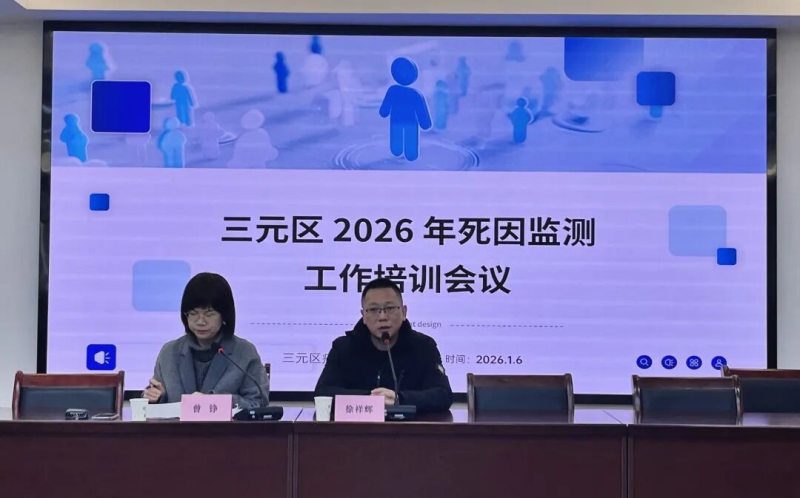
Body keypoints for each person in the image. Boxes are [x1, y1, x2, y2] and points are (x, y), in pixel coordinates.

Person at [314, 278, 453, 413]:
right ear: (363, 315)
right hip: (358, 427)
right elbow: (323, 393)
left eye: (390, 308)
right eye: (374, 309)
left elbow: (443, 395)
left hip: (409, 427)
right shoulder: (343, 348)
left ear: (404, 312)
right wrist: (371, 400)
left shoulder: (424, 347)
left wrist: (400, 399)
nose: (382, 317)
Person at [142, 272, 269, 408]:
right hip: (177, 423)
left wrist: (218, 402)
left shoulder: (244, 352)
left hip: (226, 423)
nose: (200, 322)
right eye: (193, 313)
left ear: (224, 315)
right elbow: (155, 402)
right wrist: (155, 397)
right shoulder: (169, 353)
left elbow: (258, 403)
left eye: (209, 314)